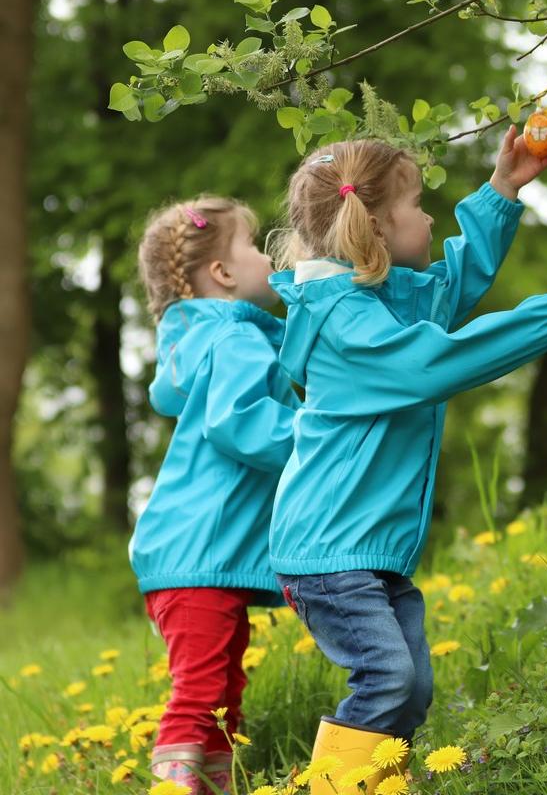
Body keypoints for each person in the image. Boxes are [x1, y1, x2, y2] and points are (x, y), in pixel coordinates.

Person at [268, 128, 547, 794]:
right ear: (378, 228)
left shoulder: (379, 302)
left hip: (365, 549)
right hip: (329, 551)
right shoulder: (347, 324)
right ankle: (334, 789)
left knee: (411, 691)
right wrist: (541, 319)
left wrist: (502, 191)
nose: (428, 219)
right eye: (418, 207)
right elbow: (429, 364)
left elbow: (445, 291)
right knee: (389, 677)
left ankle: (376, 784)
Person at [129, 196, 299, 795]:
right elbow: (239, 422)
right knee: (201, 694)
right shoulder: (235, 342)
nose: (266, 256)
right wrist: (312, 435)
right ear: (223, 274)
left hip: (191, 555)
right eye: (253, 246)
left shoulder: (206, 343)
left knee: (224, 693)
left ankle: (213, 785)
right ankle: (173, 786)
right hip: (197, 554)